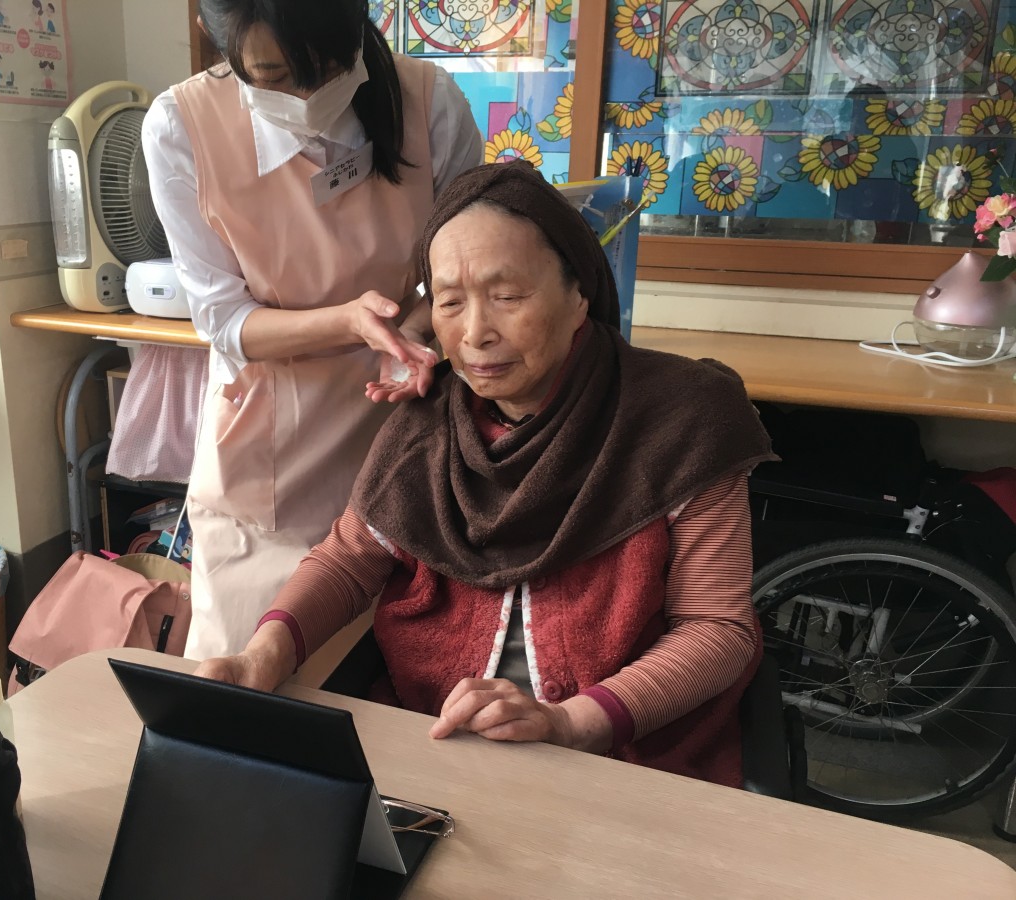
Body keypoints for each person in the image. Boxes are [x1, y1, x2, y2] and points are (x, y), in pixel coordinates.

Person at [195, 161, 778, 787]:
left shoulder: (683, 420)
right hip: (436, 739)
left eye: (508, 297)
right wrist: (263, 655)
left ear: (578, 294)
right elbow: (348, 561)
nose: (475, 333)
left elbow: (716, 630)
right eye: (450, 302)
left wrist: (570, 724)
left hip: (623, 756)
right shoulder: (426, 425)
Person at [142, 0, 483, 660]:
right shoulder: (182, 128)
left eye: (326, 68)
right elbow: (224, 319)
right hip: (269, 461)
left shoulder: (429, 102)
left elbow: (456, 271)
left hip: (403, 435)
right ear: (215, 39)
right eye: (273, 75)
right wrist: (351, 321)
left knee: (394, 685)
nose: (305, 95)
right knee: (251, 680)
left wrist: (415, 333)